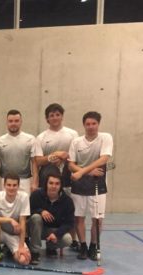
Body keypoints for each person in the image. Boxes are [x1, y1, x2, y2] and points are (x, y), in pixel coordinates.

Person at [68, 111, 113, 261]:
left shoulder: (105, 138)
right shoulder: (76, 142)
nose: (91, 126)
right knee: (79, 217)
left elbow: (104, 159)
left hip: (97, 184)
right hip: (79, 185)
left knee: (97, 219)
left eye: (94, 123)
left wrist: (82, 172)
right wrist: (87, 172)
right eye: (88, 124)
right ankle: (83, 246)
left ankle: (94, 246)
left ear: (98, 124)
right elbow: (71, 164)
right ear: (84, 125)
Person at [34, 103, 79, 250]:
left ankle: (73, 240)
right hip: (47, 178)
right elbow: (38, 161)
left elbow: (76, 156)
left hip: (67, 178)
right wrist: (55, 155)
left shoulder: (72, 134)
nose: (55, 118)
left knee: (70, 209)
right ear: (47, 118)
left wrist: (65, 156)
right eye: (51, 115)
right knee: (48, 211)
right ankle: (50, 242)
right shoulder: (41, 137)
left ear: (62, 116)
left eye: (57, 114)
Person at [28, 173, 75, 264]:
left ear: (61, 185)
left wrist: (56, 234)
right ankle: (34, 252)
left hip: (53, 231)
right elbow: (27, 212)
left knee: (68, 239)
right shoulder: (36, 195)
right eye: (51, 183)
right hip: (35, 229)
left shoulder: (67, 201)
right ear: (46, 184)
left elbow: (69, 223)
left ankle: (51, 247)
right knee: (36, 217)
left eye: (57, 183)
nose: (54, 186)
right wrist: (40, 211)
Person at [0, 173, 32, 266]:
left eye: (14, 185)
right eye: (9, 185)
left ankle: (9, 248)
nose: (11, 188)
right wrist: (9, 220)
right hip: (0, 232)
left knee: (24, 260)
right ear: (4, 185)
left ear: (18, 186)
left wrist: (21, 246)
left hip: (14, 234)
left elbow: (22, 222)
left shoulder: (24, 197)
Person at [0, 110, 38, 195]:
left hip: (25, 181)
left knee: (24, 203)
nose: (13, 123)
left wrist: (35, 182)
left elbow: (34, 163)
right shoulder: (0, 140)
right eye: (10, 121)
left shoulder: (30, 139)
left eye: (16, 121)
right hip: (6, 181)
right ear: (7, 122)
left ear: (21, 122)